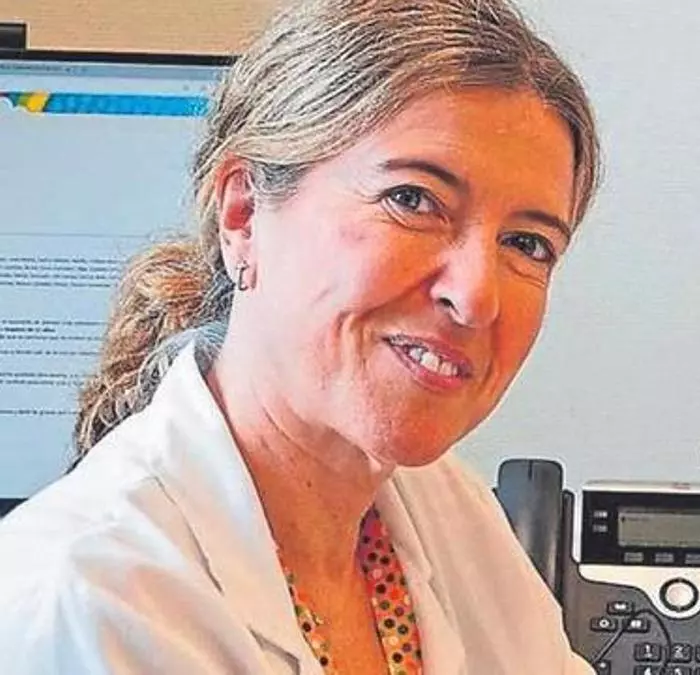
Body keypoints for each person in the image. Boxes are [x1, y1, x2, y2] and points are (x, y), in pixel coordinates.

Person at [0, 0, 601, 672]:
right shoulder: (85, 599)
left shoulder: (447, 513)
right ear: (243, 213)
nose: (475, 296)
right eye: (412, 199)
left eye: (527, 243)